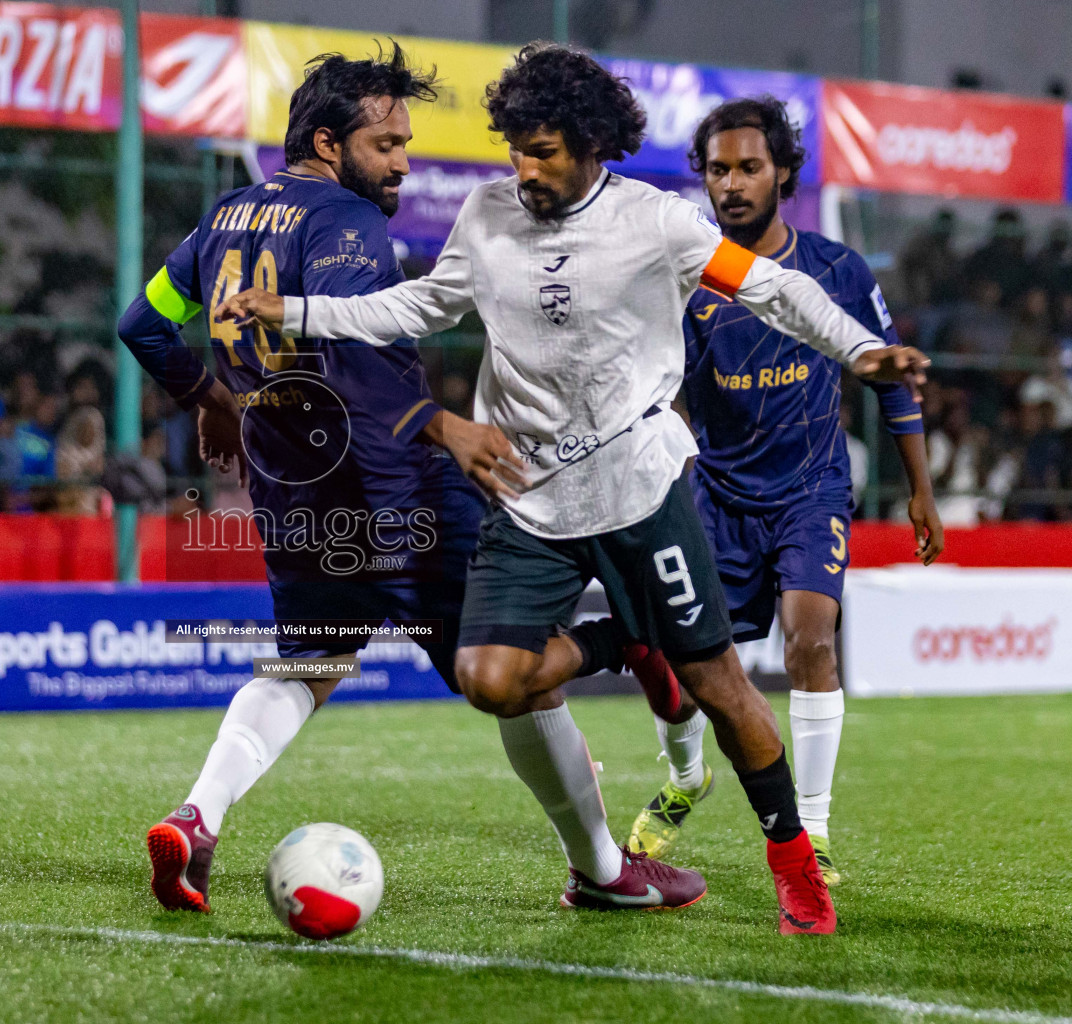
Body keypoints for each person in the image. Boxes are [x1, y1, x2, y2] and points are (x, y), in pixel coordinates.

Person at [218, 45, 933, 935]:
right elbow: (415, 307)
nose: (526, 169)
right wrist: (297, 310)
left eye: (545, 151)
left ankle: (793, 857)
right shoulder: (486, 215)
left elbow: (775, 290)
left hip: (639, 492)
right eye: (516, 148)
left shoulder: (658, 224)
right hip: (531, 498)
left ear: (593, 145)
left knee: (720, 687)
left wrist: (860, 352)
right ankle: (617, 636)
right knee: (487, 679)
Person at [116, 43, 662, 916]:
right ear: (330, 144)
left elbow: (142, 324)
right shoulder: (345, 221)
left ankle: (197, 817)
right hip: (389, 490)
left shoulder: (221, 218)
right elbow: (359, 356)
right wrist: (441, 428)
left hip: (289, 493)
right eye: (388, 144)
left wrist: (207, 398)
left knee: (308, 662)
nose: (404, 161)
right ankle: (605, 870)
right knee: (520, 674)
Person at [591, 97, 942, 886]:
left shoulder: (835, 271)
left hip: (811, 492)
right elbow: (650, 390)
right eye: (718, 169)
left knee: (810, 638)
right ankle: (687, 778)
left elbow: (890, 379)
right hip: (717, 496)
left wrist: (920, 490)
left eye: (749, 167)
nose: (732, 183)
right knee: (670, 659)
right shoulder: (685, 280)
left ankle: (809, 830)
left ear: (783, 171)